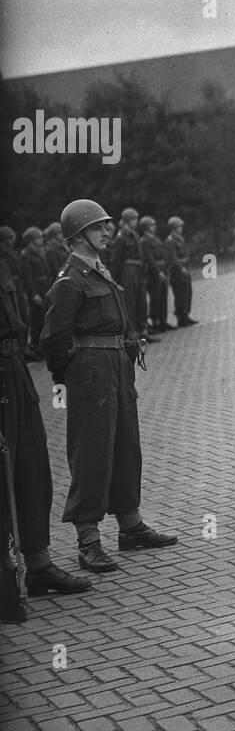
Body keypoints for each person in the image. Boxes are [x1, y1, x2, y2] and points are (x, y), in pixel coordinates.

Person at [39, 200, 178, 574]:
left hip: (117, 368)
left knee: (126, 447)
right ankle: (88, 541)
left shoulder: (100, 270)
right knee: (93, 453)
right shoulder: (70, 280)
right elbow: (53, 340)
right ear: (79, 234)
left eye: (106, 226)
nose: (107, 231)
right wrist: (72, 376)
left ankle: (130, 525)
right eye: (99, 227)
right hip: (91, 373)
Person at [1, 241, 93, 611]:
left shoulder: (4, 257)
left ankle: (38, 565)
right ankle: (8, 577)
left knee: (32, 471)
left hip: (14, 368)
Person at [108, 207, 152, 340]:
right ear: (127, 220)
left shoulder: (134, 234)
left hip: (138, 270)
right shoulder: (121, 237)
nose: (136, 221)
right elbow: (116, 260)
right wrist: (115, 279)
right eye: (133, 219)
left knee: (141, 301)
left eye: (136, 219)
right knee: (130, 302)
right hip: (128, 271)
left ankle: (143, 330)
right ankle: (133, 334)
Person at [17, 227, 50, 359]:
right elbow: (27, 277)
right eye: (38, 237)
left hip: (43, 287)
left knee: (43, 318)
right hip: (36, 289)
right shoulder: (26, 255)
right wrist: (33, 294)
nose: (41, 239)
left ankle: (40, 346)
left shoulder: (39, 252)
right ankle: (34, 346)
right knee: (36, 319)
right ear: (31, 240)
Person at [164, 217, 198, 327]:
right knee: (180, 294)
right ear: (174, 228)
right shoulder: (170, 241)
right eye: (179, 226)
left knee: (187, 292)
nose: (181, 228)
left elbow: (185, 253)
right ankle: (181, 318)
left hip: (184, 267)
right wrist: (180, 267)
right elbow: (172, 258)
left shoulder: (179, 238)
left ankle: (186, 315)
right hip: (177, 271)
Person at [139, 216, 169, 333]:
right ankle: (155, 322)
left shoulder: (155, 239)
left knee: (163, 297)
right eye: (152, 225)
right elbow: (149, 259)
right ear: (146, 228)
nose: (154, 226)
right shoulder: (144, 241)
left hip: (161, 269)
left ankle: (163, 321)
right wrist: (158, 271)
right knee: (155, 297)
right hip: (153, 272)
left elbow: (162, 254)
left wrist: (165, 269)